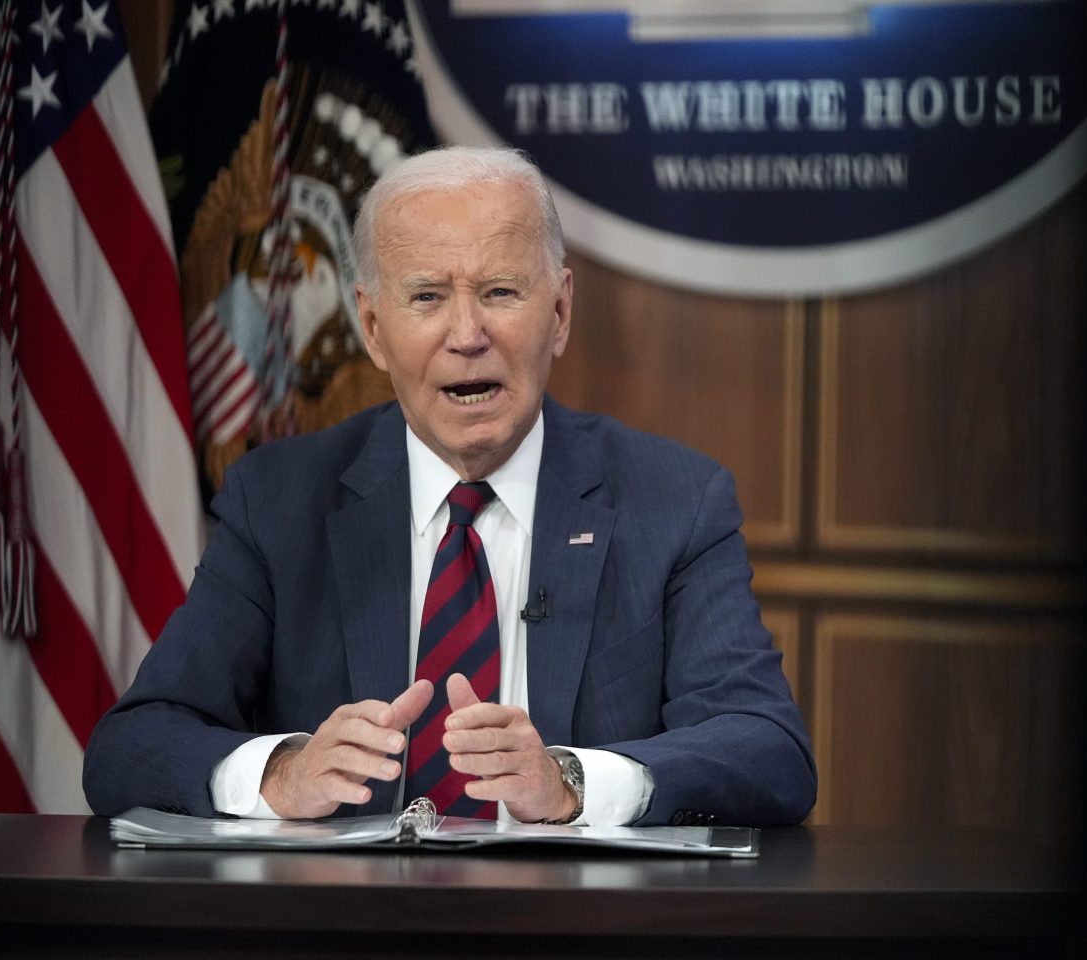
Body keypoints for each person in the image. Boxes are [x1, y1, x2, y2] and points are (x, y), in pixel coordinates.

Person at [83, 146, 815, 827]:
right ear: (372, 327)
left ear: (559, 313)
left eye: (499, 290)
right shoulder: (279, 503)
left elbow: (767, 749)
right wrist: (278, 774)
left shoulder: (674, 501)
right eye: (428, 298)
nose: (467, 334)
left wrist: (573, 783)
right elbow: (132, 746)